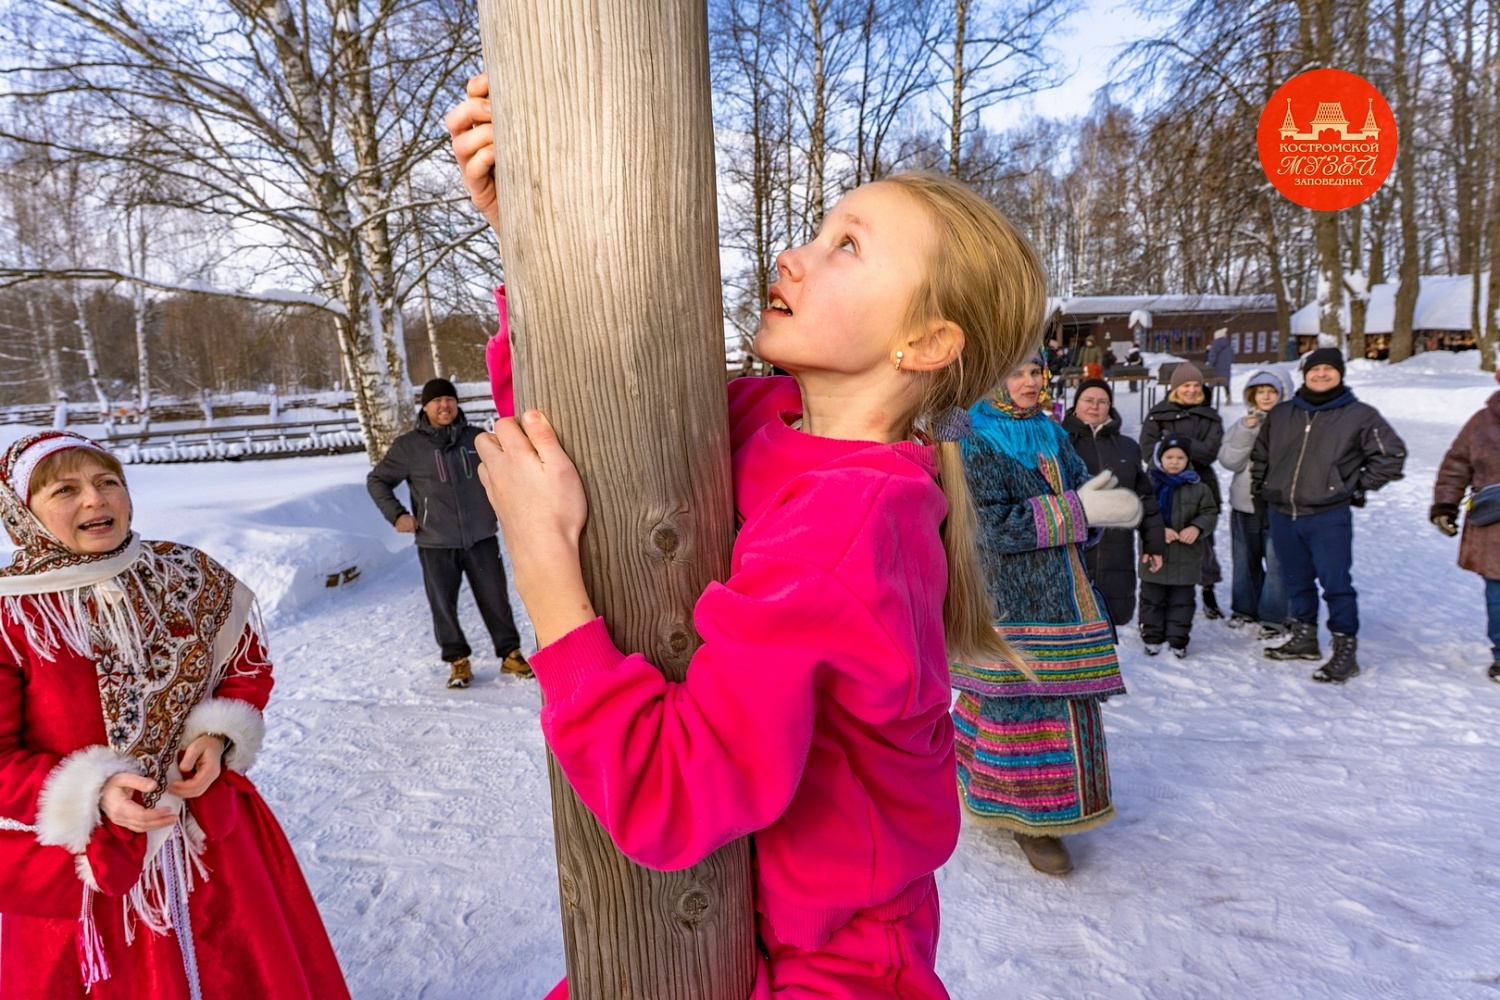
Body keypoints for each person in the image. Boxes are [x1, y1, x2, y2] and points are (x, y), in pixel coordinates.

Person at [450, 71, 1045, 997]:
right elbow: (598, 436)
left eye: (846, 246)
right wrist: (531, 236)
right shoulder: (767, 419)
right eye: (817, 229)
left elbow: (673, 790)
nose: (794, 254)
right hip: (731, 926)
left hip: (830, 966)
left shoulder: (847, 525)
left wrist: (544, 576)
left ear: (926, 343)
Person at [0, 431, 350, 999]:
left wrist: (217, 736)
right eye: (65, 489)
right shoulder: (13, 614)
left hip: (212, 840)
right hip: (87, 864)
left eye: (107, 481)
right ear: (23, 513)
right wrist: (93, 794)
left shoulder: (185, 575)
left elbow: (246, 667)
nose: (96, 499)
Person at [953, 354, 1141, 876]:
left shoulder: (1051, 432)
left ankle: (1052, 805)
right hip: (1010, 598)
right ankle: (1028, 819)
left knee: (1066, 701)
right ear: (991, 379)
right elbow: (989, 527)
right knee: (1016, 703)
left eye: (1036, 372)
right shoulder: (972, 439)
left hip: (1066, 592)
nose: (1032, 382)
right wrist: (1079, 513)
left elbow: (1081, 494)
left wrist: (1095, 508)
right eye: (1018, 373)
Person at [1251, 348, 1407, 682]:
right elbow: (1260, 456)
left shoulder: (1360, 415)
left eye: (1329, 369)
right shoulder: (1282, 413)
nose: (1322, 374)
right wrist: (1263, 493)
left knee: (1336, 583)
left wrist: (1350, 486)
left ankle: (1344, 650)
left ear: (1340, 373)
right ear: (1304, 373)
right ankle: (1305, 638)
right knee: (1296, 580)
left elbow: (1391, 456)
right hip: (1282, 512)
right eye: (1315, 369)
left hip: (1327, 517)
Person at [367, 377, 531, 688]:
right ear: (425, 407)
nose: (445, 406)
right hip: (435, 541)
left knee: (495, 598)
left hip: (481, 537)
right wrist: (398, 515)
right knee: (443, 603)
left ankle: (510, 653)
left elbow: (505, 475)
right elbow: (377, 481)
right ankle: (457, 660)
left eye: (450, 400)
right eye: (437, 401)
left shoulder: (477, 439)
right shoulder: (409, 447)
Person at [1063, 377, 1165, 626]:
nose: (1095, 406)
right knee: (1069, 619)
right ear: (1076, 405)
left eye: (1102, 401)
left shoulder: (1128, 447)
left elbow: (1145, 498)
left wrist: (1154, 544)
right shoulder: (1059, 443)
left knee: (1110, 619)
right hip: (1070, 548)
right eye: (1088, 400)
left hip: (1116, 549)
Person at [1140, 361, 1225, 619]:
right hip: (1160, 485)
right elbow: (1148, 451)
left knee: (1201, 541)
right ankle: (1158, 588)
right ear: (1176, 388)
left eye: (1196, 385)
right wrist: (1186, 448)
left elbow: (1210, 452)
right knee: (1158, 535)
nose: (1191, 390)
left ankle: (1207, 587)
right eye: (1186, 385)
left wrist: (1171, 443)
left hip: (1199, 485)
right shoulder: (1158, 414)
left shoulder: (1210, 416)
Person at [1430, 372, 1500, 682]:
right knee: (1498, 597)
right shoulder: (1482, 423)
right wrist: (1445, 505)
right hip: (1494, 530)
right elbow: (1456, 465)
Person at [1218, 368, 1292, 636]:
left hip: (1278, 504)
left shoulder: (1291, 423)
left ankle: (1274, 617)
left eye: (1271, 391)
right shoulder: (1242, 423)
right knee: (1245, 559)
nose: (1266, 396)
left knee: (1277, 563)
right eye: (1261, 391)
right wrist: (1246, 433)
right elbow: (1229, 461)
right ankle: (1244, 609)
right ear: (1252, 395)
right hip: (1244, 502)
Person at [1138, 438, 1219, 657]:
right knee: (1151, 599)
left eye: (1180, 457)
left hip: (1187, 555)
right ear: (1159, 459)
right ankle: (1152, 637)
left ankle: (1178, 639)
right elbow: (1139, 513)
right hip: (1154, 553)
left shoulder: (1198, 487)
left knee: (1181, 602)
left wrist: (1197, 527)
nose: (1175, 462)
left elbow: (1210, 512)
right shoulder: (1149, 485)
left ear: (1188, 460)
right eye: (1169, 457)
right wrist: (1158, 531)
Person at [1205, 327, 1234, 406]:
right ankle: (1228, 398)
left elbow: (1212, 358)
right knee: (1226, 384)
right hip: (1226, 370)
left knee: (1211, 386)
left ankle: (1208, 400)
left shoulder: (1214, 345)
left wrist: (1209, 366)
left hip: (1215, 370)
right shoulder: (1228, 346)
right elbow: (1232, 358)